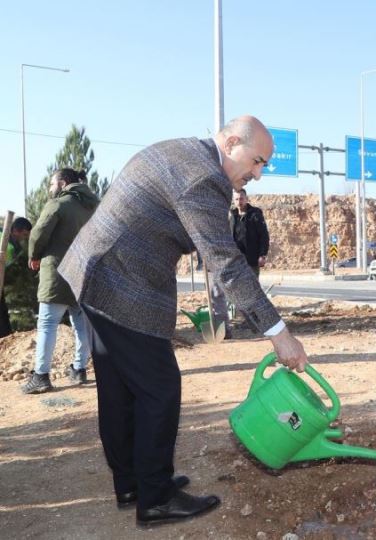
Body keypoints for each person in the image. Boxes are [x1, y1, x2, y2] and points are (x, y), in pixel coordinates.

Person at [59, 116, 310, 526]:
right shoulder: (204, 179)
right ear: (231, 143)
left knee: (120, 386)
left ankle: (133, 483)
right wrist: (278, 334)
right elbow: (226, 265)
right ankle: (155, 499)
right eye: (258, 161)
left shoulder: (184, 152)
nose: (259, 174)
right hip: (122, 282)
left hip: (99, 271)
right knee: (159, 389)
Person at [21, 169, 98, 394]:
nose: (50, 189)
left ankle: (41, 376)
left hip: (57, 272)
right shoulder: (92, 206)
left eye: (51, 184)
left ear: (62, 183)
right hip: (83, 272)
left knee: (47, 323)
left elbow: (38, 233)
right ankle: (79, 369)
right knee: (81, 324)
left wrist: (34, 256)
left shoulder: (59, 205)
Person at [210, 188, 270, 336]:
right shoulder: (232, 215)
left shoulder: (255, 214)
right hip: (234, 260)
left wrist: (262, 254)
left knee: (251, 291)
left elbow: (264, 235)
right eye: (236, 199)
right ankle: (234, 324)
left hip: (251, 259)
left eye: (241, 198)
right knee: (232, 292)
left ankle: (256, 322)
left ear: (246, 198)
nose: (239, 201)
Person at [1, 217, 33, 337]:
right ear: (15, 230)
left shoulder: (13, 246)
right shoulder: (7, 245)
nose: (24, 238)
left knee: (3, 312)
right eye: (24, 234)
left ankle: (5, 336)